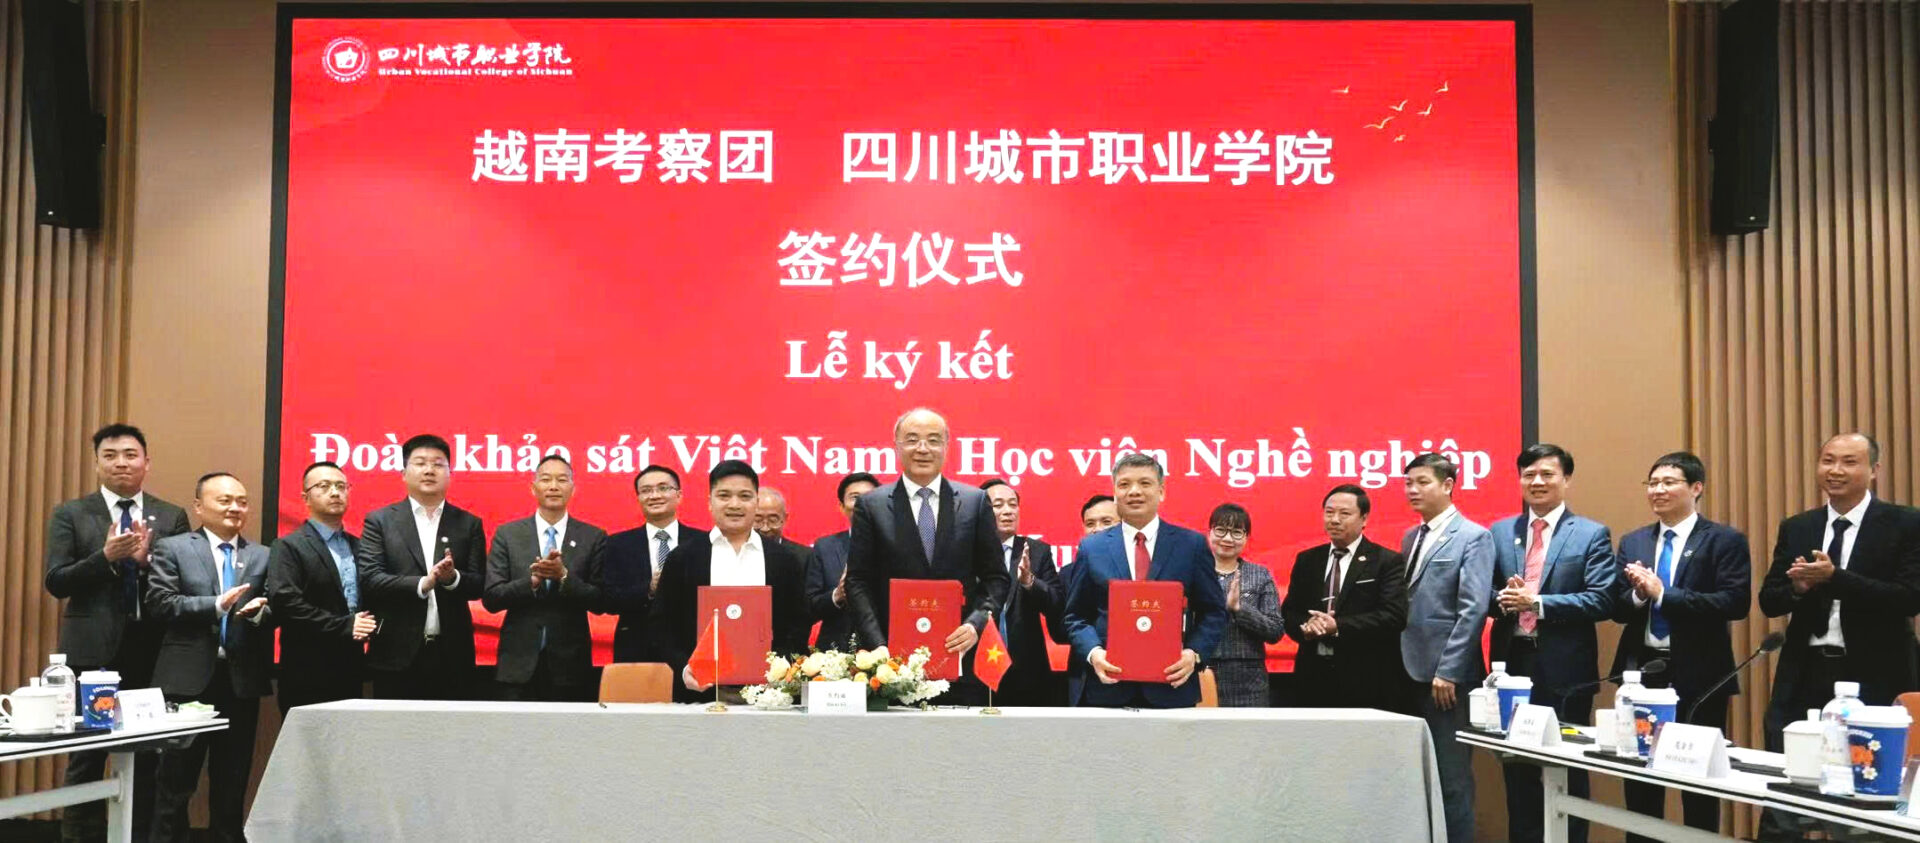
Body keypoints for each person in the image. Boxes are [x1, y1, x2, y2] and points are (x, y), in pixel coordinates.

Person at [43, 423, 191, 841]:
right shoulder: (71, 513)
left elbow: (184, 581)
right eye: (110, 456)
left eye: (130, 454)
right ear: (96, 464)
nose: (121, 463)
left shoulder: (171, 515)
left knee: (146, 758)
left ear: (147, 462)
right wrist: (105, 557)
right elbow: (56, 581)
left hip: (151, 653)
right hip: (91, 656)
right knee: (86, 758)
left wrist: (146, 564)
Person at [1612, 452, 1750, 841]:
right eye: (1652, 483)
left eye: (1668, 482)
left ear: (1696, 488)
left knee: (1698, 786)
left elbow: (1734, 603)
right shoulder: (1635, 541)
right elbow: (1617, 608)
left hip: (1700, 677)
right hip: (1643, 674)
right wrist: (1639, 595)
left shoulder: (1724, 540)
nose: (1658, 490)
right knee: (1640, 781)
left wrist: (1664, 594)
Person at [1488, 444, 1617, 843]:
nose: (1537, 482)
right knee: (1517, 768)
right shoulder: (1500, 532)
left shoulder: (1591, 533)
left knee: (1567, 769)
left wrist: (1538, 603)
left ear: (1566, 479)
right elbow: (1484, 594)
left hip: (1565, 672)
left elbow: (1602, 599)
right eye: (1528, 474)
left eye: (1547, 474)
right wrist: (1503, 598)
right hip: (1512, 666)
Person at [843, 408, 1010, 705]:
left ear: (946, 446)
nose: (922, 449)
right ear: (896, 446)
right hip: (890, 665)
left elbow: (996, 578)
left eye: (933, 440)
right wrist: (878, 646)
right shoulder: (871, 506)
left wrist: (975, 624)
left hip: (959, 656)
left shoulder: (974, 502)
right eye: (912, 440)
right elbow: (857, 581)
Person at [1761, 434, 1920, 737]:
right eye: (1828, 461)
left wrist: (1835, 578)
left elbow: (1910, 598)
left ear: (1874, 470)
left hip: (1877, 670)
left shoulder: (1906, 523)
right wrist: (1798, 589)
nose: (1835, 470)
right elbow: (1769, 600)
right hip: (1805, 670)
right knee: (1791, 752)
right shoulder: (1798, 526)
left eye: (1849, 462)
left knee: (1871, 758)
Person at [145, 473, 273, 843]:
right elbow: (160, 603)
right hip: (186, 682)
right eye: (225, 500)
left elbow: (277, 607)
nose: (235, 508)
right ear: (199, 507)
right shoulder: (173, 548)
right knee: (174, 783)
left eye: (242, 501)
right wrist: (216, 605)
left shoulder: (263, 555)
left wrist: (262, 613)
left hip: (239, 683)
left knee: (232, 782)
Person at [1064, 453, 1227, 708]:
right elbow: (1076, 616)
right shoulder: (1092, 548)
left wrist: (1193, 654)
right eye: (1124, 484)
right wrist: (1094, 653)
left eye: (1145, 483)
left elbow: (1214, 612)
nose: (1134, 491)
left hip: (1171, 687)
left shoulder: (1191, 545)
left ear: (1161, 492)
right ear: (1115, 493)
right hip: (1107, 688)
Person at [649, 460, 811, 701]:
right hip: (699, 693)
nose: (734, 504)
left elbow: (798, 623)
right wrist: (684, 669)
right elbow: (662, 624)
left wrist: (780, 669)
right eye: (724, 495)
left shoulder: (784, 560)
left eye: (744, 496)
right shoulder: (683, 557)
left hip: (769, 696)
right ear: (710, 502)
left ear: (756, 501)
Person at [1398, 453, 1494, 843]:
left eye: (1422, 482)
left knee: (1451, 779)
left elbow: (1473, 610)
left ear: (1448, 485)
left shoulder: (1474, 536)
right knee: (1413, 777)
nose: (1412, 490)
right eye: (1408, 483)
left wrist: (1449, 670)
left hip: (1446, 679)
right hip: (1406, 671)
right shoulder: (1410, 536)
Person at [355, 433, 486, 700]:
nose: (429, 470)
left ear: (450, 474)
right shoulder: (380, 521)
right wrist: (423, 584)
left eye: (438, 464)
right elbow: (370, 578)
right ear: (404, 473)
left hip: (452, 655)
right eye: (420, 463)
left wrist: (452, 578)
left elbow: (479, 584)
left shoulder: (468, 523)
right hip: (395, 654)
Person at [482, 455, 606, 701]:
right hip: (517, 662)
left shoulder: (593, 537)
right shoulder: (508, 534)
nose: (553, 486)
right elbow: (492, 598)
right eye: (546, 479)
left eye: (562, 480)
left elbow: (601, 600)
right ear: (533, 487)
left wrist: (564, 577)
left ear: (573, 488)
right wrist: (531, 582)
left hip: (571, 664)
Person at [1282, 484, 1407, 711]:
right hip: (1312, 677)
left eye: (1345, 513)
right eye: (1329, 512)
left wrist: (1337, 626)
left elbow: (1394, 616)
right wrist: (1307, 626)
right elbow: (1289, 612)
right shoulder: (1307, 559)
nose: (1335, 520)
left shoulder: (1385, 561)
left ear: (1364, 518)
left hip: (1365, 679)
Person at [266, 461, 377, 713]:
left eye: (341, 486)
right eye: (324, 486)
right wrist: (345, 626)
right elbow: (286, 603)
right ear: (305, 497)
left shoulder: (360, 546)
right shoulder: (288, 546)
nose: (335, 492)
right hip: (306, 670)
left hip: (352, 668)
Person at [980, 478, 1069, 705]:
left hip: (1026, 671)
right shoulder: (966, 550)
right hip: (977, 666)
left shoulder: (1037, 551)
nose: (1008, 511)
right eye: (998, 505)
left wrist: (1031, 582)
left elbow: (1057, 604)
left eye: (1013, 504)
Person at [601, 465, 697, 663]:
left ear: (679, 495)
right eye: (646, 490)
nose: (655, 495)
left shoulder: (701, 542)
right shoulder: (617, 544)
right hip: (636, 648)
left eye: (663, 488)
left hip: (690, 646)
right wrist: (650, 588)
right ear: (638, 498)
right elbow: (608, 600)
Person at [1201, 503, 1283, 707]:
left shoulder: (1260, 575)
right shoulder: (1194, 571)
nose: (1228, 539)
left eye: (1237, 532)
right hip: (1199, 672)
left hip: (1247, 681)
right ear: (1209, 532)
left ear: (1247, 538)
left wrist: (1240, 609)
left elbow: (1275, 630)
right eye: (1221, 530)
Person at [806, 472, 878, 651]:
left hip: (885, 651)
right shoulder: (825, 547)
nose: (863, 503)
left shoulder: (897, 545)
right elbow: (809, 608)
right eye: (855, 497)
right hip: (835, 652)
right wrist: (836, 596)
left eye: (869, 497)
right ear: (841, 506)